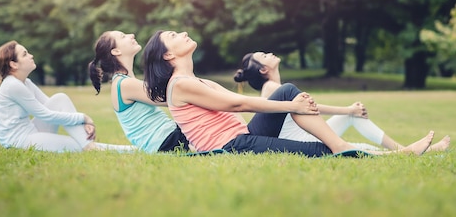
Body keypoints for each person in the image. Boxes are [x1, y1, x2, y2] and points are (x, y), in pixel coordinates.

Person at [143, 30, 436, 157]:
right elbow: (238, 102)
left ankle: (342, 146)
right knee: (316, 150)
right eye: (172, 36)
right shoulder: (180, 84)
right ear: (168, 56)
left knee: (288, 90)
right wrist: (290, 105)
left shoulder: (195, 80)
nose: (181, 33)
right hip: (231, 146)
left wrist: (291, 102)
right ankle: (353, 150)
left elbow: (241, 103)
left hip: (241, 136)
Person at [234, 52, 451, 152]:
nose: (270, 53)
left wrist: (349, 111)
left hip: (306, 132)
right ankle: (407, 152)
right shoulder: (271, 88)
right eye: (264, 55)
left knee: (352, 123)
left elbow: (309, 110)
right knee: (355, 143)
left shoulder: (275, 87)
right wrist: (347, 109)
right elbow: (311, 109)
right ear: (263, 69)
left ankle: (406, 150)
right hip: (299, 139)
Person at [0, 40, 137, 153]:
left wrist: (83, 123)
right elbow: (45, 115)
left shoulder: (25, 82)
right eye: (25, 54)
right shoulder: (13, 85)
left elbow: (52, 105)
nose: (31, 56)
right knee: (76, 146)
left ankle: (91, 146)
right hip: (18, 142)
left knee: (60, 98)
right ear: (13, 64)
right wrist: (83, 118)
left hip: (31, 131)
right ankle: (126, 150)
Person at [88, 31, 190, 153]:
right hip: (168, 142)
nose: (131, 35)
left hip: (167, 139)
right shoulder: (125, 84)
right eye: (123, 36)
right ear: (116, 51)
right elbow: (173, 99)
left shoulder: (123, 82)